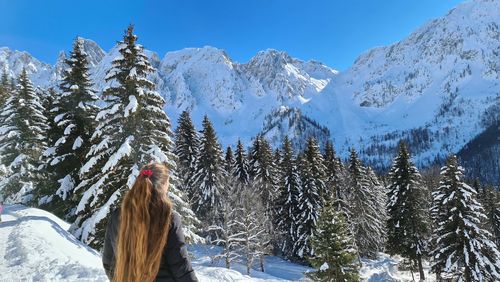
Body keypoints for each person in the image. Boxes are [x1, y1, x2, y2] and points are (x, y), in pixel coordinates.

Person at [102, 163, 198, 282]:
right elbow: (180, 266)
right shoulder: (169, 218)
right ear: (163, 185)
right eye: (168, 182)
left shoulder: (119, 215)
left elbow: (108, 262)